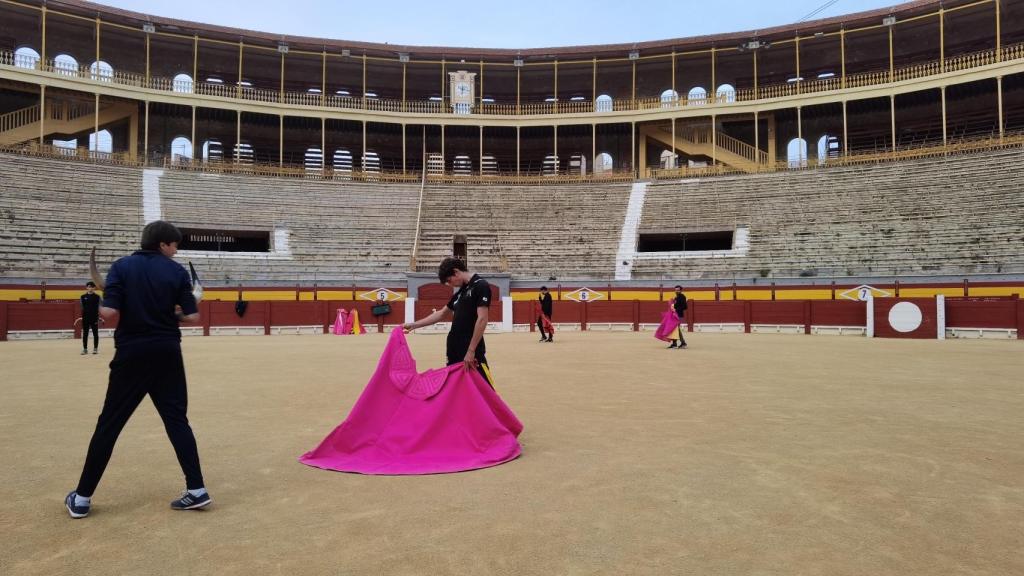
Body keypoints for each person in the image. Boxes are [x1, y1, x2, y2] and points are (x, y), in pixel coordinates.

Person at [65, 220, 210, 519]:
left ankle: (81, 498)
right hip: (168, 352)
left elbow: (108, 312)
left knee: (110, 424)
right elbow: (193, 317)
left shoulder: (121, 267)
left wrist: (125, 301)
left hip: (132, 353)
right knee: (176, 420)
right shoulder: (176, 272)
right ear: (162, 245)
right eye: (175, 245)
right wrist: (171, 315)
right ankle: (197, 490)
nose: (176, 249)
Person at [402, 257, 495, 387]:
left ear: (456, 272)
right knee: (456, 387)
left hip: (470, 348)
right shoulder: (460, 293)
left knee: (483, 386)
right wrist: (414, 325)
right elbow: (441, 314)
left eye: (449, 280)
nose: (450, 284)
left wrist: (471, 350)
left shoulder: (480, 286)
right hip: (454, 348)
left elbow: (482, 319)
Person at [75, 281, 103, 355]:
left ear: (94, 288)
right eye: (89, 287)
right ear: (86, 288)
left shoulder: (97, 297)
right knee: (85, 334)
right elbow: (82, 307)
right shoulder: (83, 297)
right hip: (86, 318)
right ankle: (85, 349)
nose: (90, 288)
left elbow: (99, 307)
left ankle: (95, 349)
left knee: (95, 334)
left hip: (94, 317)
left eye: (92, 287)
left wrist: (98, 316)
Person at [669, 285, 688, 349]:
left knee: (677, 329)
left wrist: (676, 309)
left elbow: (685, 307)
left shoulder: (682, 297)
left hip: (679, 315)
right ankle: (675, 344)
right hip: (675, 315)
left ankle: (683, 343)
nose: (676, 291)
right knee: (674, 329)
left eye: (678, 290)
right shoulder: (676, 297)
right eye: (676, 290)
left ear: (681, 290)